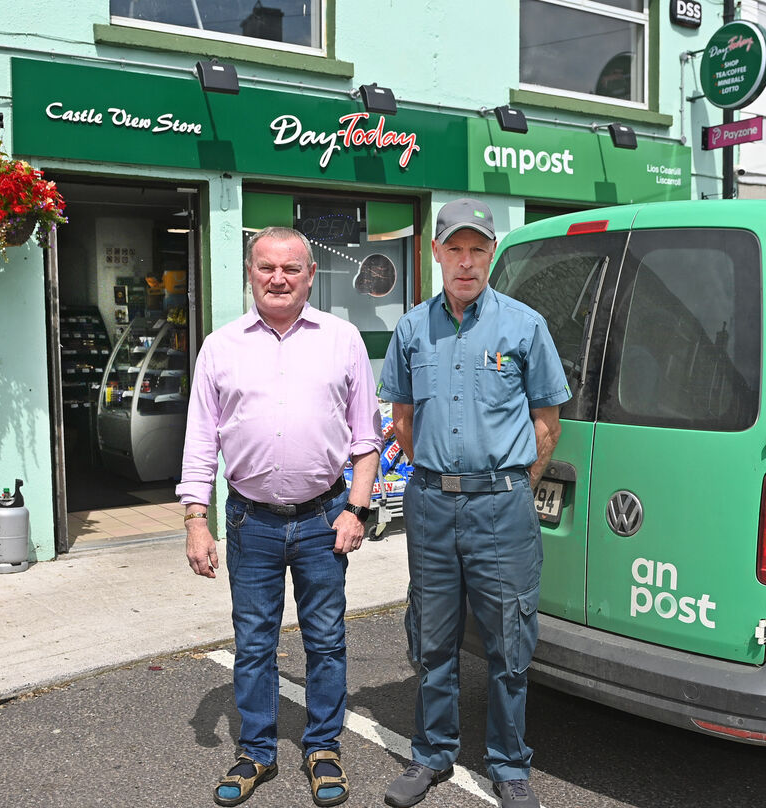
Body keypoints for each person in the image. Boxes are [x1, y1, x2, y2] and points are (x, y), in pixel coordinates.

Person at [178, 226, 383, 808]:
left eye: (291, 268)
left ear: (310, 275)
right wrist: (197, 519)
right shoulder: (220, 347)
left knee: (325, 638)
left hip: (324, 521)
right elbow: (200, 442)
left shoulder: (343, 341)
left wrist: (357, 510)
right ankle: (258, 752)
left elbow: (366, 440)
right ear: (250, 273)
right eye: (267, 267)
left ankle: (322, 748)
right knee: (254, 642)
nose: (278, 278)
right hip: (252, 523)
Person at [378, 199, 570, 808]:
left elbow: (547, 423)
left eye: (478, 250)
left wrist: (510, 483)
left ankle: (510, 766)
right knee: (432, 640)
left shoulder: (524, 325)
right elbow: (401, 419)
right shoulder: (412, 329)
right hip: (431, 506)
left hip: (502, 510)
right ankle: (432, 755)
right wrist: (440, 474)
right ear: (435, 253)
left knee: (510, 643)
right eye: (454, 250)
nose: (466, 263)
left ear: (491, 254)